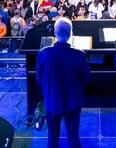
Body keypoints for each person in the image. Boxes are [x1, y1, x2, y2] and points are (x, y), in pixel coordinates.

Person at [35, 17, 90, 148]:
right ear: (71, 33)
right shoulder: (79, 55)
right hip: (73, 101)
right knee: (73, 134)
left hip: (52, 101)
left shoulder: (44, 54)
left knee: (53, 136)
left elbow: (39, 79)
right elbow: (86, 78)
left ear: (55, 33)